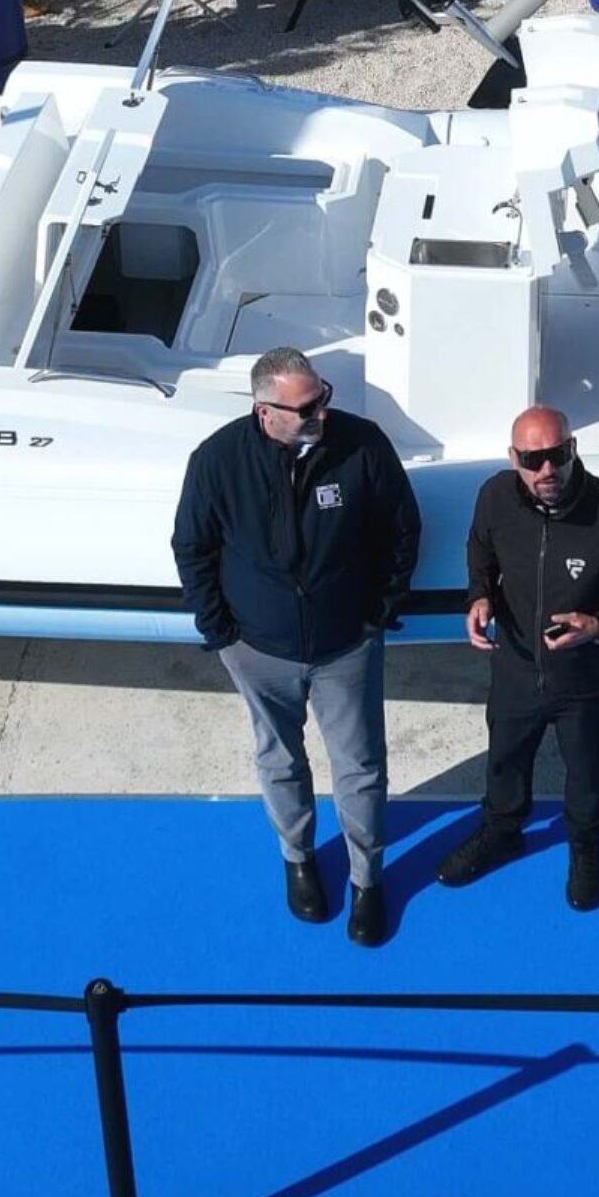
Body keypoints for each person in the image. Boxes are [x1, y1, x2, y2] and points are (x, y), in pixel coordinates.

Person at [173, 347, 421, 946]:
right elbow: (192, 547)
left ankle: (367, 880)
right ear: (265, 412)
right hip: (258, 650)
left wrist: (378, 611)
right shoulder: (217, 461)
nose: (320, 414)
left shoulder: (362, 446)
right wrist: (220, 631)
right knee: (279, 760)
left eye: (322, 398)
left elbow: (401, 529)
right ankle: (299, 858)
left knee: (361, 766)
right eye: (306, 408)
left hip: (346, 646)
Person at [437, 405, 599, 912]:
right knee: (504, 761)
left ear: (573, 449)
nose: (547, 469)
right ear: (514, 459)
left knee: (588, 773)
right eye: (533, 459)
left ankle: (585, 846)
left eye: (557, 454)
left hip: (587, 679)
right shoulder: (495, 497)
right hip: (516, 668)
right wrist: (479, 597)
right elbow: (480, 549)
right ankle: (503, 831)